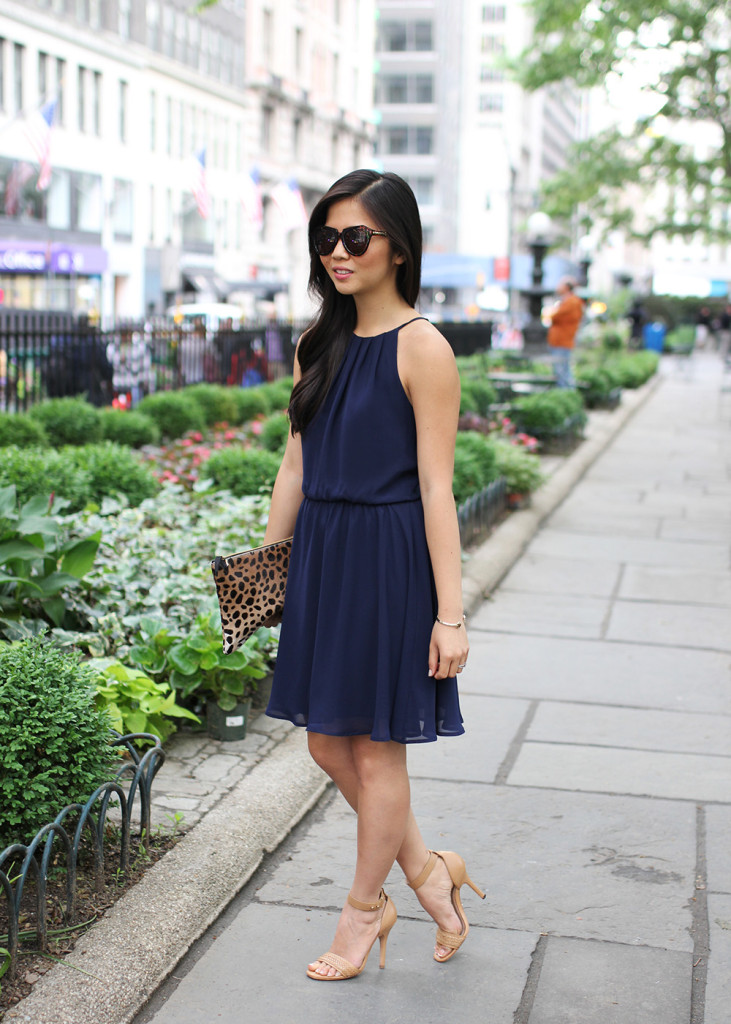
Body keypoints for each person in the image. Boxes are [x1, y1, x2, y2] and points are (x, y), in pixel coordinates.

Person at [262, 169, 483, 981]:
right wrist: (269, 568)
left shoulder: (422, 346)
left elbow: (435, 486)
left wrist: (450, 614)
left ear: (397, 246)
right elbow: (294, 466)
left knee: (379, 753)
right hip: (322, 553)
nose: (337, 252)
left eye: (355, 237)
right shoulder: (314, 343)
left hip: (388, 563)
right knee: (327, 743)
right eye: (326, 238)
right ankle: (428, 872)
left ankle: (363, 913)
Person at [545, 276, 584, 387]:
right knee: (562, 371)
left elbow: (554, 317)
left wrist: (552, 313)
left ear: (566, 287)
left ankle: (567, 396)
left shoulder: (572, 302)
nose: (558, 287)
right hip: (559, 341)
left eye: (560, 284)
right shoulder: (567, 301)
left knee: (561, 372)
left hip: (562, 342)